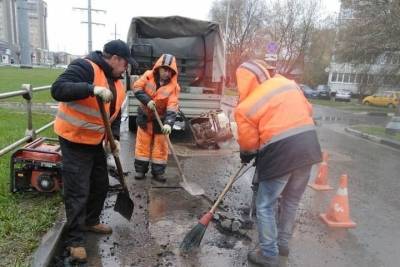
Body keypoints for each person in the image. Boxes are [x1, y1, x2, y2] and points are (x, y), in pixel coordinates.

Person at [51, 39, 136, 263]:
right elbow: (58, 89)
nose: (126, 68)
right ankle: (75, 241)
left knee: (100, 184)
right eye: (125, 63)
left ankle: (90, 221)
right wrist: (91, 89)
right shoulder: (85, 67)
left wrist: (114, 138)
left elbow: (114, 115)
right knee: (78, 190)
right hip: (74, 139)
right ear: (115, 59)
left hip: (96, 142)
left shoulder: (117, 82)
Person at [234, 60, 322, 267]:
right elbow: (307, 111)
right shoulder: (288, 84)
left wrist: (247, 155)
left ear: (243, 82)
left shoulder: (245, 107)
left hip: (281, 154)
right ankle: (282, 245)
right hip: (308, 147)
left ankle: (268, 254)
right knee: (291, 201)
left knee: (265, 205)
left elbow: (248, 143)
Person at [131, 54, 180, 182]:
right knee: (142, 145)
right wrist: (147, 101)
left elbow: (172, 105)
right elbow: (136, 88)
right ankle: (140, 171)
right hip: (145, 116)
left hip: (161, 119)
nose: (167, 73)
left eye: (170, 71)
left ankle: (158, 172)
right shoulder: (148, 75)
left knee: (161, 147)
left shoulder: (174, 87)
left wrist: (169, 123)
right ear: (158, 68)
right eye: (165, 69)